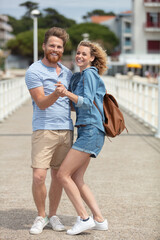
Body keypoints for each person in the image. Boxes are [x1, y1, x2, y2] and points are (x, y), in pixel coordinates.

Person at [55, 41, 108, 235]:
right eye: (78, 53)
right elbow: (77, 105)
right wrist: (64, 95)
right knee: (76, 177)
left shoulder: (89, 74)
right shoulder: (80, 76)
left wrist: (66, 93)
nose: (79, 56)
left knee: (62, 174)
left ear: (92, 57)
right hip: (88, 130)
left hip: (91, 130)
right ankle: (100, 219)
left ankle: (84, 218)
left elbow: (86, 102)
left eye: (84, 54)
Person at [25, 27, 73, 235]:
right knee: (38, 176)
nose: (55, 49)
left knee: (59, 176)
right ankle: (40, 215)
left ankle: (53, 215)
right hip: (44, 130)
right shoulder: (33, 71)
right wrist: (57, 93)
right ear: (44, 46)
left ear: (63, 50)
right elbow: (42, 103)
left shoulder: (68, 72)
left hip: (66, 130)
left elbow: (71, 102)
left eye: (59, 46)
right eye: (52, 45)